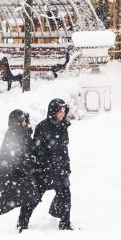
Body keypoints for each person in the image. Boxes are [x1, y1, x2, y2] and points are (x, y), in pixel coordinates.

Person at [0, 110, 39, 233]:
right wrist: (29, 165)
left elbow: (26, 151)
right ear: (17, 122)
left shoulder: (21, 133)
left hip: (19, 175)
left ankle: (22, 224)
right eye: (23, 121)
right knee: (9, 204)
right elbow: (15, 157)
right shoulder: (13, 135)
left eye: (26, 120)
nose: (26, 123)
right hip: (12, 176)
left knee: (31, 198)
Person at [33, 98, 72, 230]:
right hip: (45, 171)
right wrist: (48, 165)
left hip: (60, 169)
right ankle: (22, 222)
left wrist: (67, 167)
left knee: (66, 196)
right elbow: (37, 150)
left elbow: (64, 150)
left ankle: (65, 224)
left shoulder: (63, 126)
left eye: (64, 111)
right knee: (34, 198)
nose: (62, 114)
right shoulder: (42, 127)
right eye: (60, 111)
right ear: (53, 111)